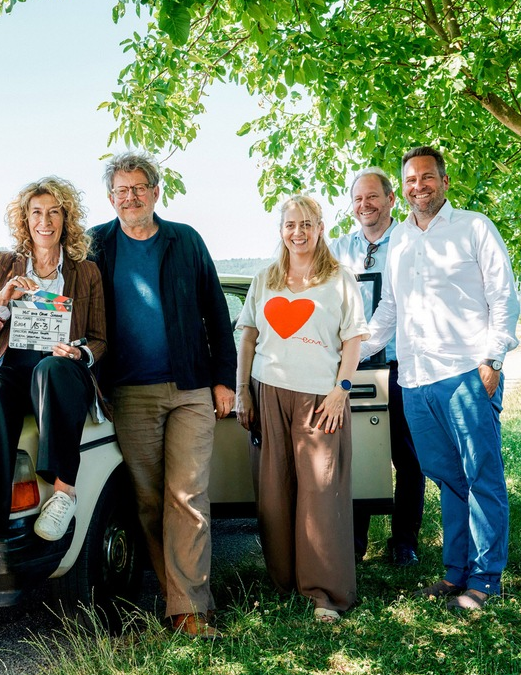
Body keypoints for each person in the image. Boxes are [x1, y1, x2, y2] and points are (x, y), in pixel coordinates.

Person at [362, 146, 520, 611]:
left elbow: (503, 296)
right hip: (414, 381)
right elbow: (389, 309)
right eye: (411, 180)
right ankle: (456, 574)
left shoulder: (475, 227)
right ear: (403, 189)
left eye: (427, 178)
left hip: (467, 376)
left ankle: (486, 580)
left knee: (481, 476)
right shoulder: (400, 243)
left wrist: (492, 361)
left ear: (444, 182)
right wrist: (350, 351)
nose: (418, 187)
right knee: (447, 479)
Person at [88, 151, 236, 639]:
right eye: (121, 191)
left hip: (191, 388)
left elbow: (217, 312)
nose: (130, 198)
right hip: (129, 392)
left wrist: (223, 379)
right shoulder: (97, 246)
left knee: (188, 497)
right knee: (150, 502)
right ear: (112, 199)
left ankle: (191, 611)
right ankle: (177, 597)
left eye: (139, 188)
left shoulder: (185, 240)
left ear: (156, 192)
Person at [234, 195, 369, 623]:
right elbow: (248, 340)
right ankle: (284, 583)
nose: (299, 232)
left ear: (320, 228)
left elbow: (353, 341)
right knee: (273, 496)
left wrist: (341, 390)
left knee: (320, 494)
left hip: (321, 397)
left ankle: (325, 594)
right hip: (268, 391)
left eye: (307, 224)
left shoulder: (340, 279)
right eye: (291, 224)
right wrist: (242, 391)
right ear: (281, 231)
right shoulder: (265, 279)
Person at [0, 177, 106, 544]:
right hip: (12, 370)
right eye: (36, 212)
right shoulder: (0, 264)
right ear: (24, 220)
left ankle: (62, 494)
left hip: (61, 373)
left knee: (52, 367)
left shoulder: (85, 272)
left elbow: (102, 340)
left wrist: (79, 352)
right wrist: (3, 303)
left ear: (65, 219)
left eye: (54, 212)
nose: (45, 220)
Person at [329, 167, 424, 567]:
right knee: (358, 455)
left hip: (400, 364)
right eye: (357, 199)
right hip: (353, 366)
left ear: (389, 199)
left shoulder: (409, 240)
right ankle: (353, 543)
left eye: (372, 197)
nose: (364, 205)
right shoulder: (335, 249)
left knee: (408, 457)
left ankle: (404, 543)